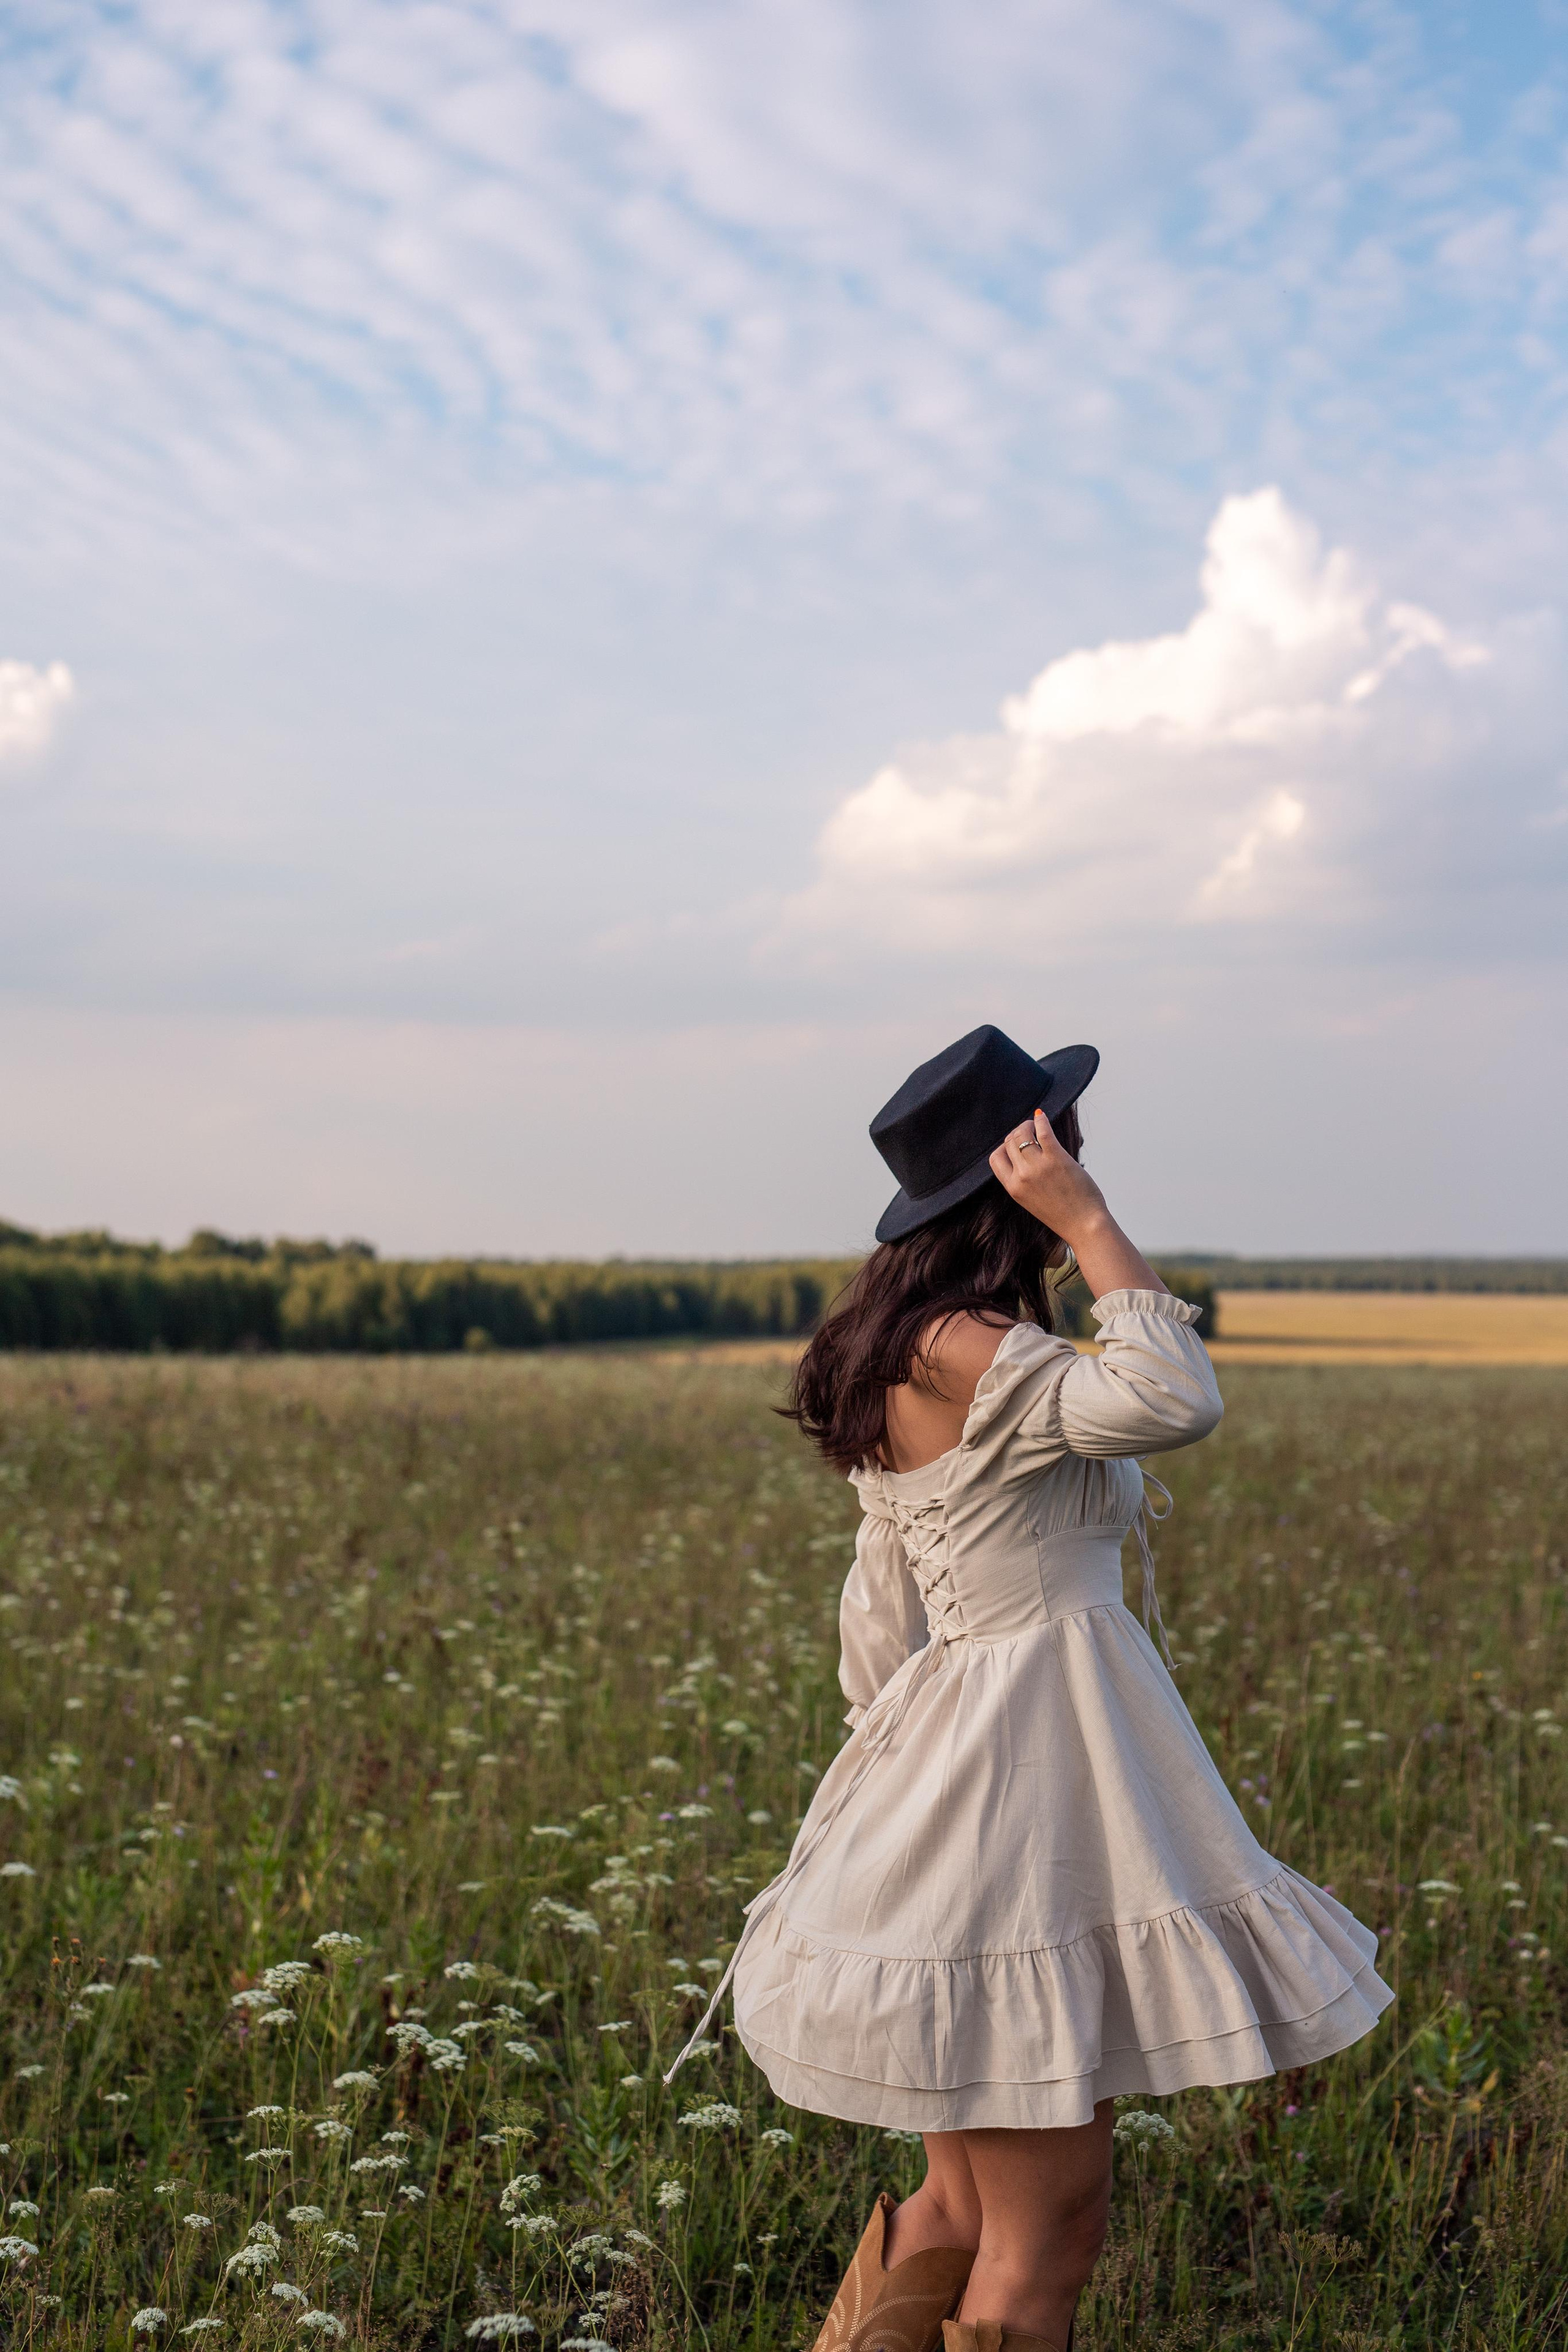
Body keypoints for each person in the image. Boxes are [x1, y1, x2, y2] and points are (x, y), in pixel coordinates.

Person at [666, 1025, 1392, 2352]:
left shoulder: (913, 1344)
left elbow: (878, 1608)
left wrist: (903, 1772)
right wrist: (1093, 1220)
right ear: (1017, 1175)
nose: (1079, 1160)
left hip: (966, 1766)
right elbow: (1174, 1396)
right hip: (1031, 1784)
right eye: (1061, 1145)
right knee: (1043, 2237)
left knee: (954, 2203)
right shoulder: (972, 1348)